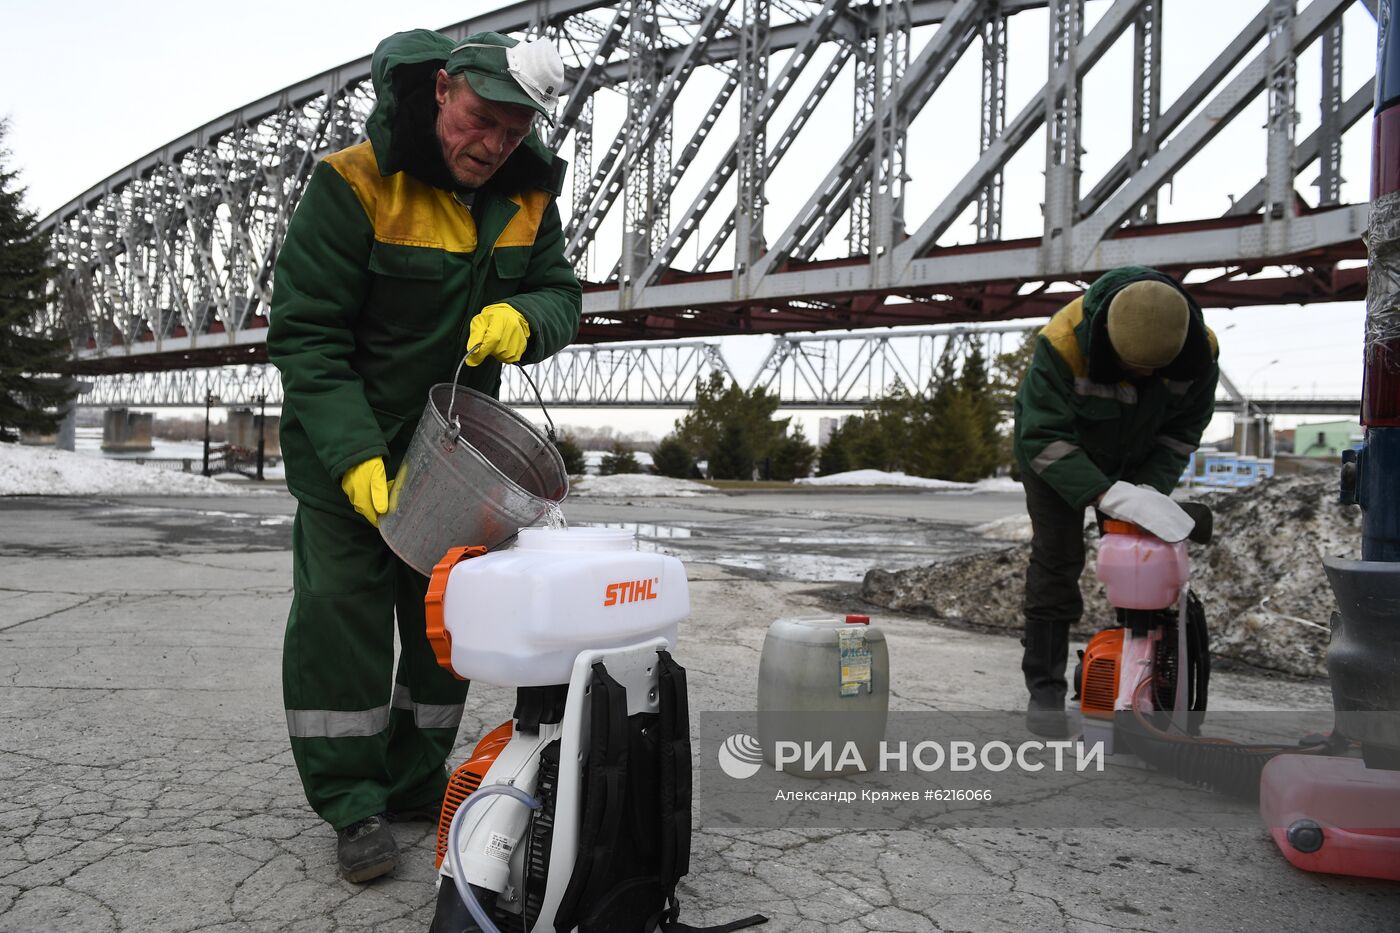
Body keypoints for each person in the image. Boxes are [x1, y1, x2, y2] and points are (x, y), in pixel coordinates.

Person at [266, 28, 581, 882]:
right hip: (351, 454)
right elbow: (308, 335)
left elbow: (560, 293)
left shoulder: (526, 193)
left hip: (458, 455)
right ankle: (352, 802)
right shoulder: (354, 183)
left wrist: (529, 321)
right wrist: (357, 456)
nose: (492, 146)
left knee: (449, 628)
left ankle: (412, 781)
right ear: (442, 90)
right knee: (342, 620)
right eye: (479, 120)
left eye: (514, 134)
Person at [1011, 266, 1218, 738]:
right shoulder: (1063, 342)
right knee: (1057, 560)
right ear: (1107, 338)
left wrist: (1144, 492)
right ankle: (1044, 689)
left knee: (1141, 564)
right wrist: (1104, 494)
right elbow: (1042, 436)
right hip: (1057, 458)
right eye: (1133, 366)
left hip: (1137, 461)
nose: (1143, 375)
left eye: (1154, 368)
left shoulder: (1201, 352)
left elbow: (1181, 434)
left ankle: (1139, 689)